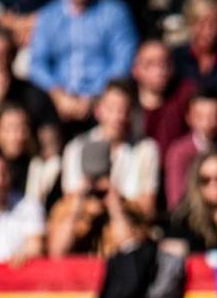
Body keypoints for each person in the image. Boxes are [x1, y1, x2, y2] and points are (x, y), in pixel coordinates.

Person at [59, 80, 159, 223]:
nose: (118, 117)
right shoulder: (77, 147)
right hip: (85, 222)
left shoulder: (146, 149)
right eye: (112, 109)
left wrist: (116, 200)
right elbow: (69, 201)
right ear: (98, 110)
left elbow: (147, 209)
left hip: (130, 223)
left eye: (124, 110)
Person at [27, 0, 139, 124]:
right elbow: (37, 63)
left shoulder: (114, 12)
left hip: (101, 94)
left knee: (117, 102)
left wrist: (93, 95)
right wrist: (57, 94)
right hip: (60, 97)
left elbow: (123, 60)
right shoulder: (48, 15)